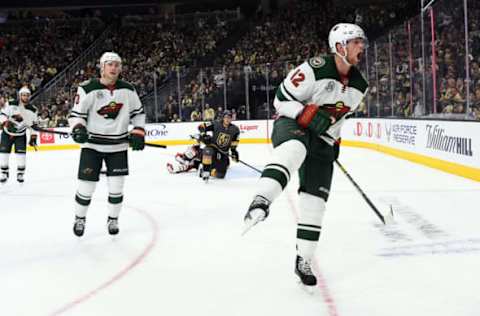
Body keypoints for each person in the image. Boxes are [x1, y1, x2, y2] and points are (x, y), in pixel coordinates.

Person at [243, 23, 369, 287]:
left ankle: (304, 259)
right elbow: (280, 100)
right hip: (293, 124)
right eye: (356, 42)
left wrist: (334, 141)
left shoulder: (360, 85)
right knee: (294, 149)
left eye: (362, 42)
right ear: (339, 46)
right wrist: (305, 113)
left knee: (316, 203)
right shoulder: (314, 69)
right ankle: (260, 201)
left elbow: (337, 119)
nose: (362, 46)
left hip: (322, 138)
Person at [68, 52, 146, 237]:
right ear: (102, 67)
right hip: (92, 146)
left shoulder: (128, 89)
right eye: (110, 64)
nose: (114, 68)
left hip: (117, 147)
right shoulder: (87, 88)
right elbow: (76, 115)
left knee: (116, 187)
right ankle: (80, 218)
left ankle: (113, 219)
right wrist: (79, 128)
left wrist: (138, 131)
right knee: (86, 187)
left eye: (117, 65)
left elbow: (139, 114)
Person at [0, 87, 38, 184]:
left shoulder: (33, 110)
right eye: (23, 95)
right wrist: (5, 122)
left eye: (27, 95)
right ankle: (4, 172)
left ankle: (20, 173)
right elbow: (2, 114)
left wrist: (33, 137)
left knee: (21, 155)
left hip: (21, 135)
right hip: (7, 133)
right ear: (20, 95)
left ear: (29, 96)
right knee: (4, 153)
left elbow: (34, 125)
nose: (25, 97)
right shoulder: (11, 103)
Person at [197, 110, 240, 182]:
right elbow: (201, 126)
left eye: (229, 117)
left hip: (224, 153)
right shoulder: (216, 123)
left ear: (231, 119)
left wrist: (233, 151)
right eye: (226, 117)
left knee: (220, 175)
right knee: (208, 150)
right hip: (213, 148)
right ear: (223, 118)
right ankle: (205, 171)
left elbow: (234, 142)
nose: (227, 119)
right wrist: (203, 135)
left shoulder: (235, 129)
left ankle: (208, 171)